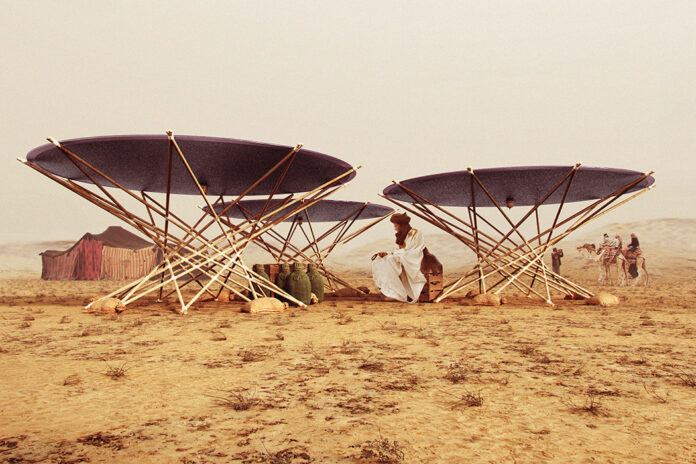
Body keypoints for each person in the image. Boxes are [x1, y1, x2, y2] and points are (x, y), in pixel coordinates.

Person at [371, 212, 427, 303]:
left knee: (390, 260)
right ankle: (390, 292)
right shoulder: (400, 236)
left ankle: (398, 294)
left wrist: (394, 255)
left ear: (402, 225)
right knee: (380, 260)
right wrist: (387, 253)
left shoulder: (415, 233)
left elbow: (413, 249)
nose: (395, 228)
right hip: (402, 257)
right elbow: (396, 251)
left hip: (413, 257)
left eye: (396, 226)